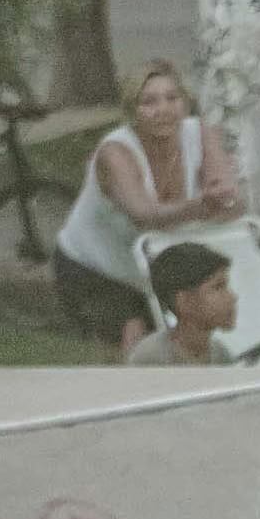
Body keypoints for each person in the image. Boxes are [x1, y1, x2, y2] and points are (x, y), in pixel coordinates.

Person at [55, 61, 240, 353]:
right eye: (149, 102)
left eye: (172, 98)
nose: (163, 110)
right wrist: (201, 206)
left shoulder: (201, 133)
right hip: (94, 267)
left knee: (186, 341)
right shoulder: (115, 152)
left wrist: (224, 195)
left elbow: (228, 196)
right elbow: (144, 215)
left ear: (185, 101)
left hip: (150, 268)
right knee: (133, 342)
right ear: (132, 111)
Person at [125, 237, 245, 366]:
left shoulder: (222, 355)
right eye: (218, 287)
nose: (232, 297)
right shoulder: (150, 357)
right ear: (184, 302)